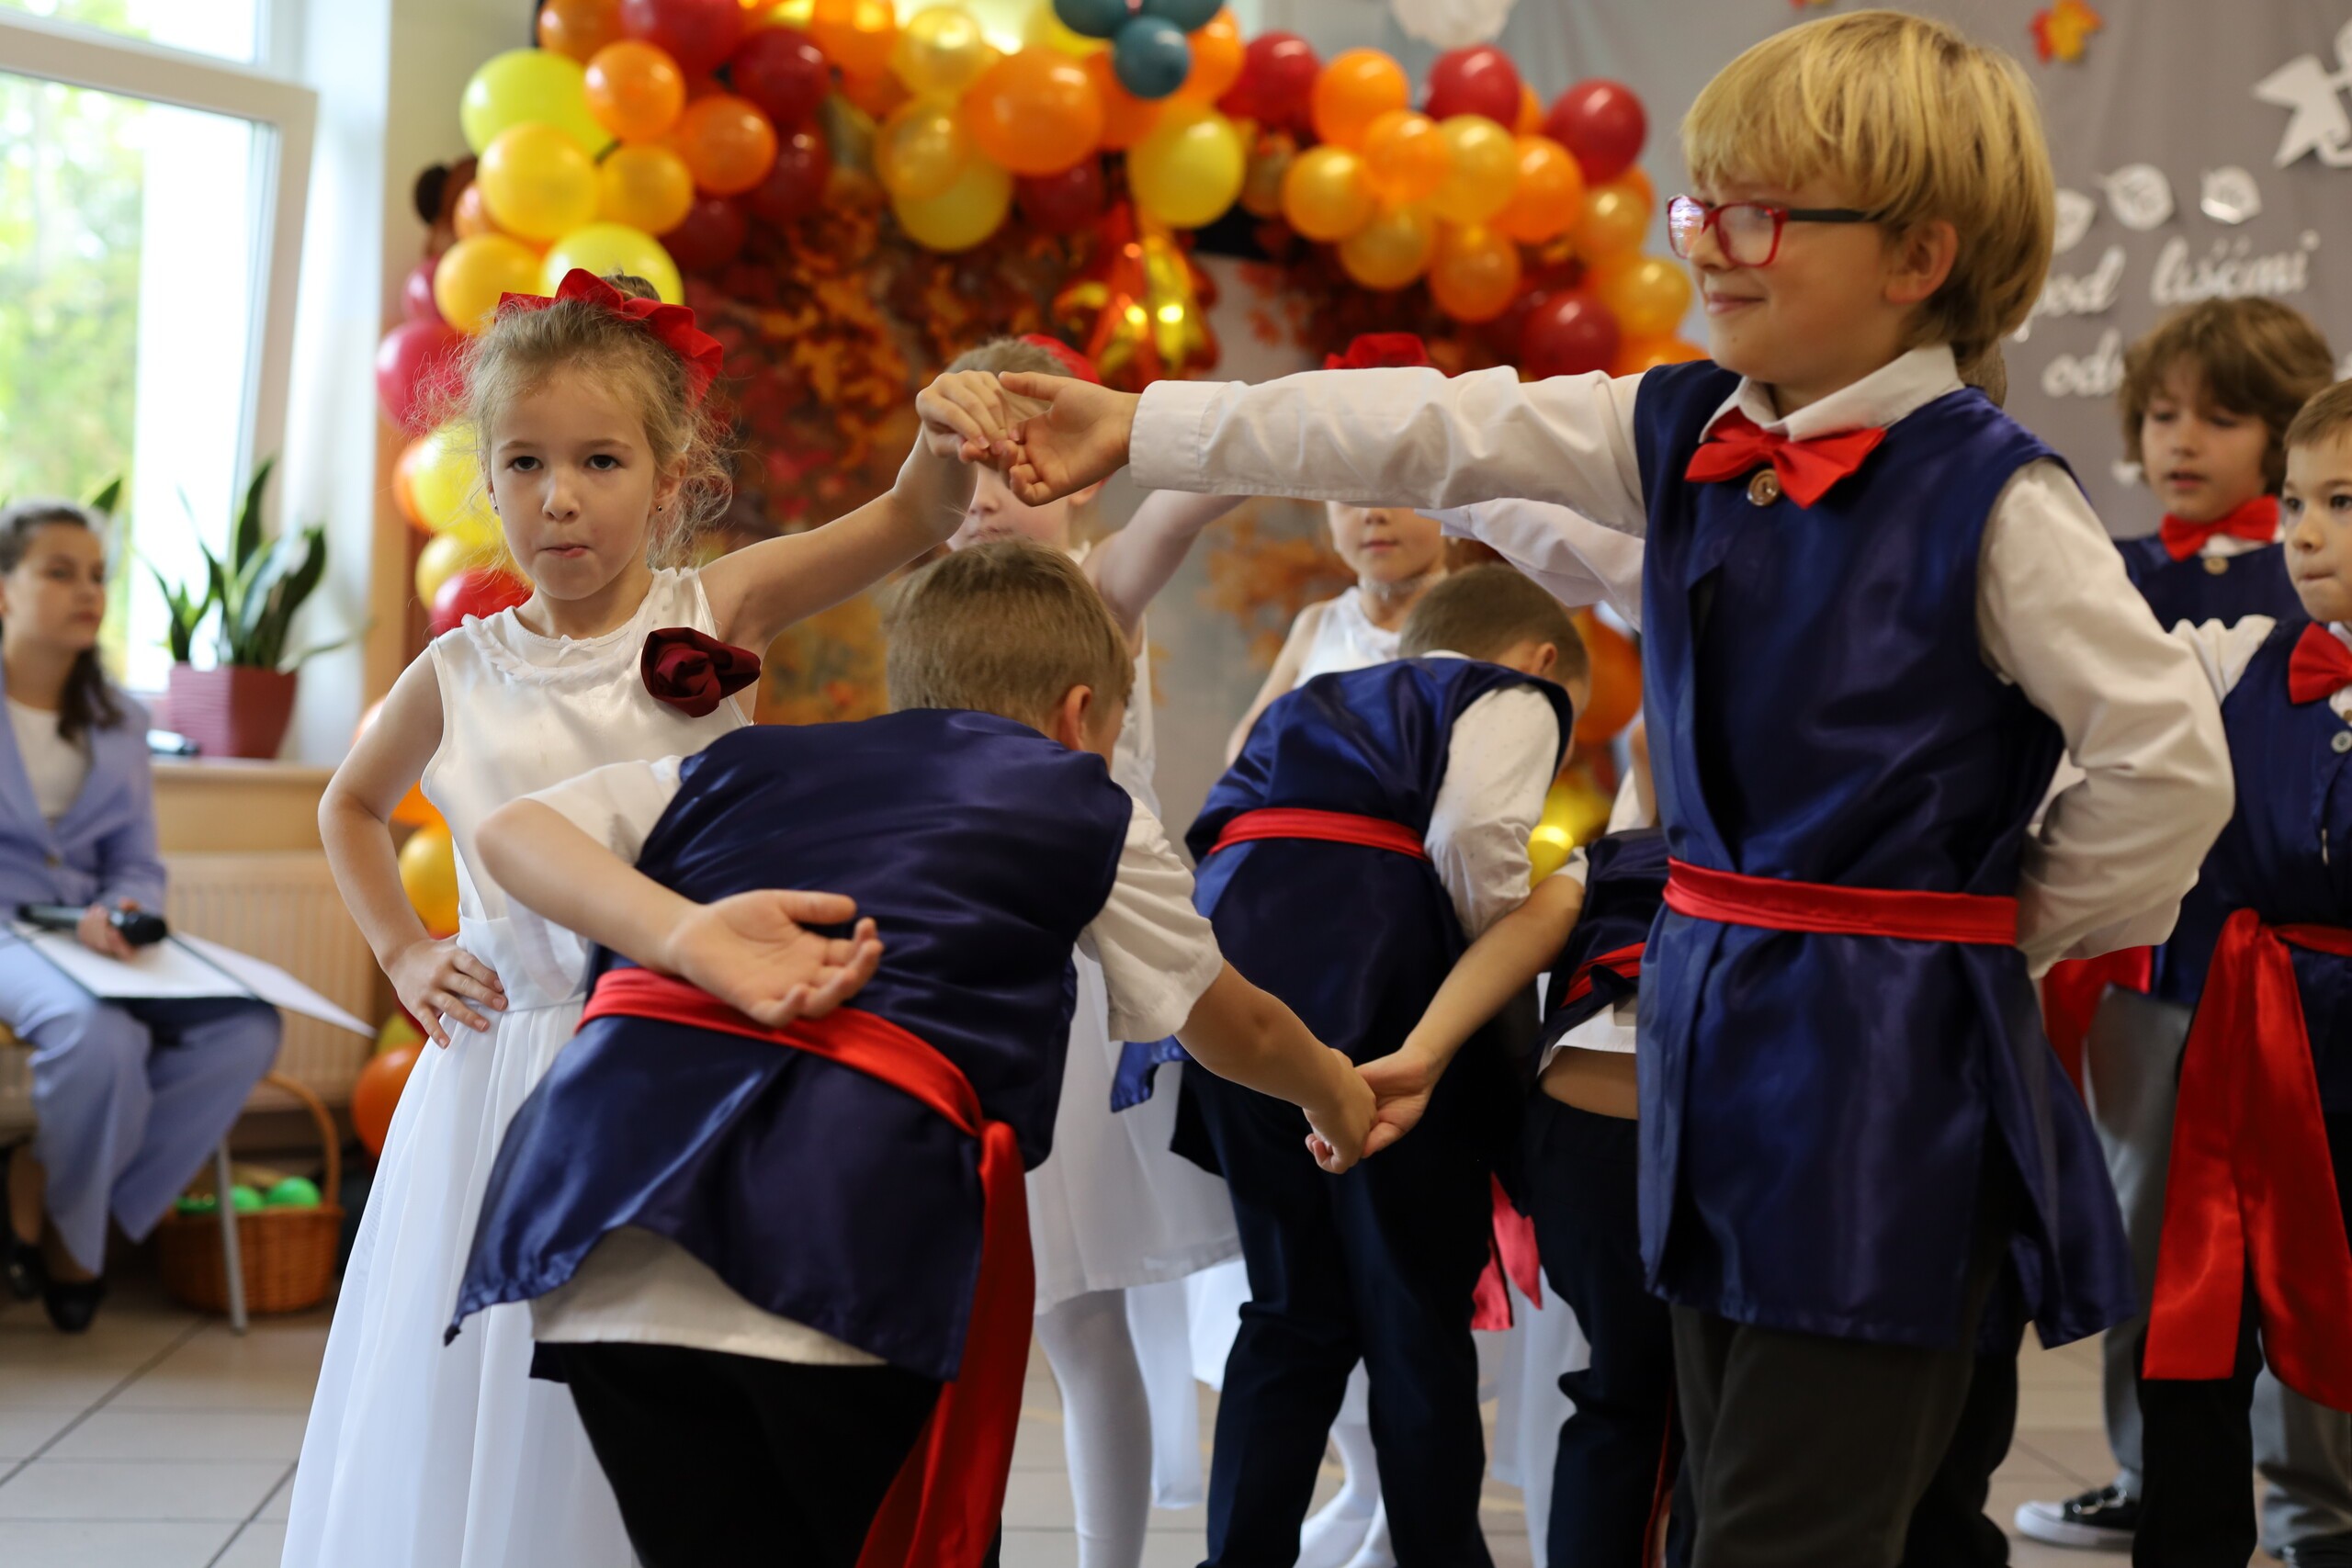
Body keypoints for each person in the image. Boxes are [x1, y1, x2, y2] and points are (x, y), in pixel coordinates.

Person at [967, 13, 2234, 1563]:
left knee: (1793, 1516)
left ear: (1918, 256)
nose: (1707, 243)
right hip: (1707, 1031)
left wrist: (1997, 928)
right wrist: (1149, 422)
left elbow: (2169, 760)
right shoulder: (1686, 427)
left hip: (1883, 1066)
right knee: (1738, 1472)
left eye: (1762, 215)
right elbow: (1439, 424)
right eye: (1704, 205)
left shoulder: (1995, 496)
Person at [446, 538, 1376, 1568]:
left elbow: (513, 831)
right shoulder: (1075, 797)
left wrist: (683, 934)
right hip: (844, 1221)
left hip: (595, 1206)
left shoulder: (733, 763)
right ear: (1080, 717)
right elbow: (1236, 1026)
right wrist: (1336, 1093)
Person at [284, 270, 980, 1568]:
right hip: (503, 1072)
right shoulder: (457, 669)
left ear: (670, 482)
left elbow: (908, 517)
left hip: (678, 1055)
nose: (559, 496)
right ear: (488, 481)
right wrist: (404, 948)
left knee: (664, 1376)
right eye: (525, 462)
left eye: (599, 461)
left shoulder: (713, 612)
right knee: (497, 1367)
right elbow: (350, 806)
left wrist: (947, 433)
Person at [2018, 299, 2352, 1558]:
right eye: (2162, 414)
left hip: (2305, 988)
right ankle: (2155, 1480)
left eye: (2219, 416)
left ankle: (2316, 1497)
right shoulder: (2128, 588)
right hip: (2172, 978)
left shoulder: (2289, 594)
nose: (2182, 440)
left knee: (2314, 1251)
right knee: (2167, 1239)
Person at [1175, 564, 1586, 1568]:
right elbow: (1476, 831)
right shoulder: (1512, 692)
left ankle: (1240, 1558)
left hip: (1232, 992)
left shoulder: (1312, 698)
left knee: (1289, 1310)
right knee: (1413, 1312)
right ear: (1541, 660)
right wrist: (1493, 957)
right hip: (1383, 997)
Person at [943, 335, 1248, 1568]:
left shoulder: (1097, 586)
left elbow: (1198, 488)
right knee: (977, 1312)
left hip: (1076, 980)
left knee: (1074, 1312)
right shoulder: (941, 611)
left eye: (1012, 472)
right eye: (965, 474)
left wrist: (1167, 422)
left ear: (1078, 477)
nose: (982, 501)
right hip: (962, 977)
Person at [2120, 379, 2352, 1568]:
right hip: (2253, 1036)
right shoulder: (2237, 659)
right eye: (2297, 502)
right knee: (2204, 1315)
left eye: (2343, 502)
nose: (2303, 534)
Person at [0, 500, 279, 1334]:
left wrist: (126, 909)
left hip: (95, 937)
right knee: (101, 1039)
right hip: (9, 932)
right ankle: (79, 1250)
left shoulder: (122, 721)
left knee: (247, 1028)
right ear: (5, 590)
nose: (88, 591)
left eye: (97, 575)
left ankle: (48, 1193)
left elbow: (135, 860)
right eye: (60, 572)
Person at [1225, 337, 1461, 767]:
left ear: (1453, 498)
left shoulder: (1477, 625)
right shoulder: (1319, 625)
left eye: (1397, 488)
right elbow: (1247, 749)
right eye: (1350, 492)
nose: (1373, 512)